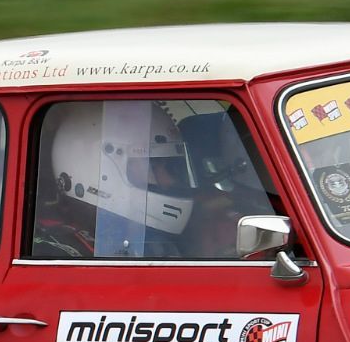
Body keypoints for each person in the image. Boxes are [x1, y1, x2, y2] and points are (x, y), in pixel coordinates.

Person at [38, 100, 274, 260]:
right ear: (99, 170)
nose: (170, 181)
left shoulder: (143, 238)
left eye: (172, 167)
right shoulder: (58, 253)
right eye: (154, 165)